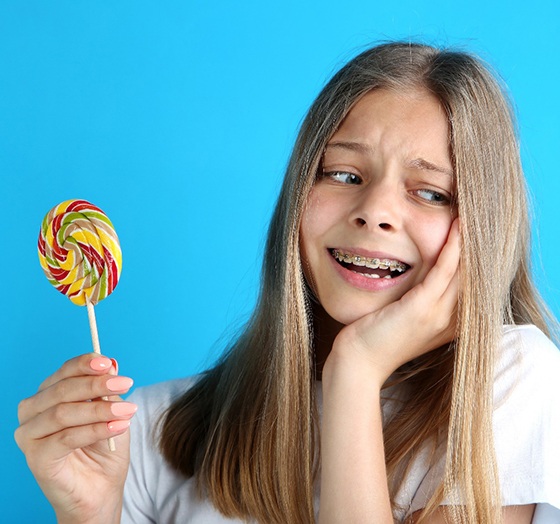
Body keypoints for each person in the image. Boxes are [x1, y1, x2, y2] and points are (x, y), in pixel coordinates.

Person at [16, 42, 560, 524]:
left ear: (483, 229)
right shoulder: (155, 429)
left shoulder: (509, 381)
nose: (375, 212)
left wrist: (355, 371)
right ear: (298, 196)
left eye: (430, 192)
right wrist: (89, 516)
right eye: (344, 175)